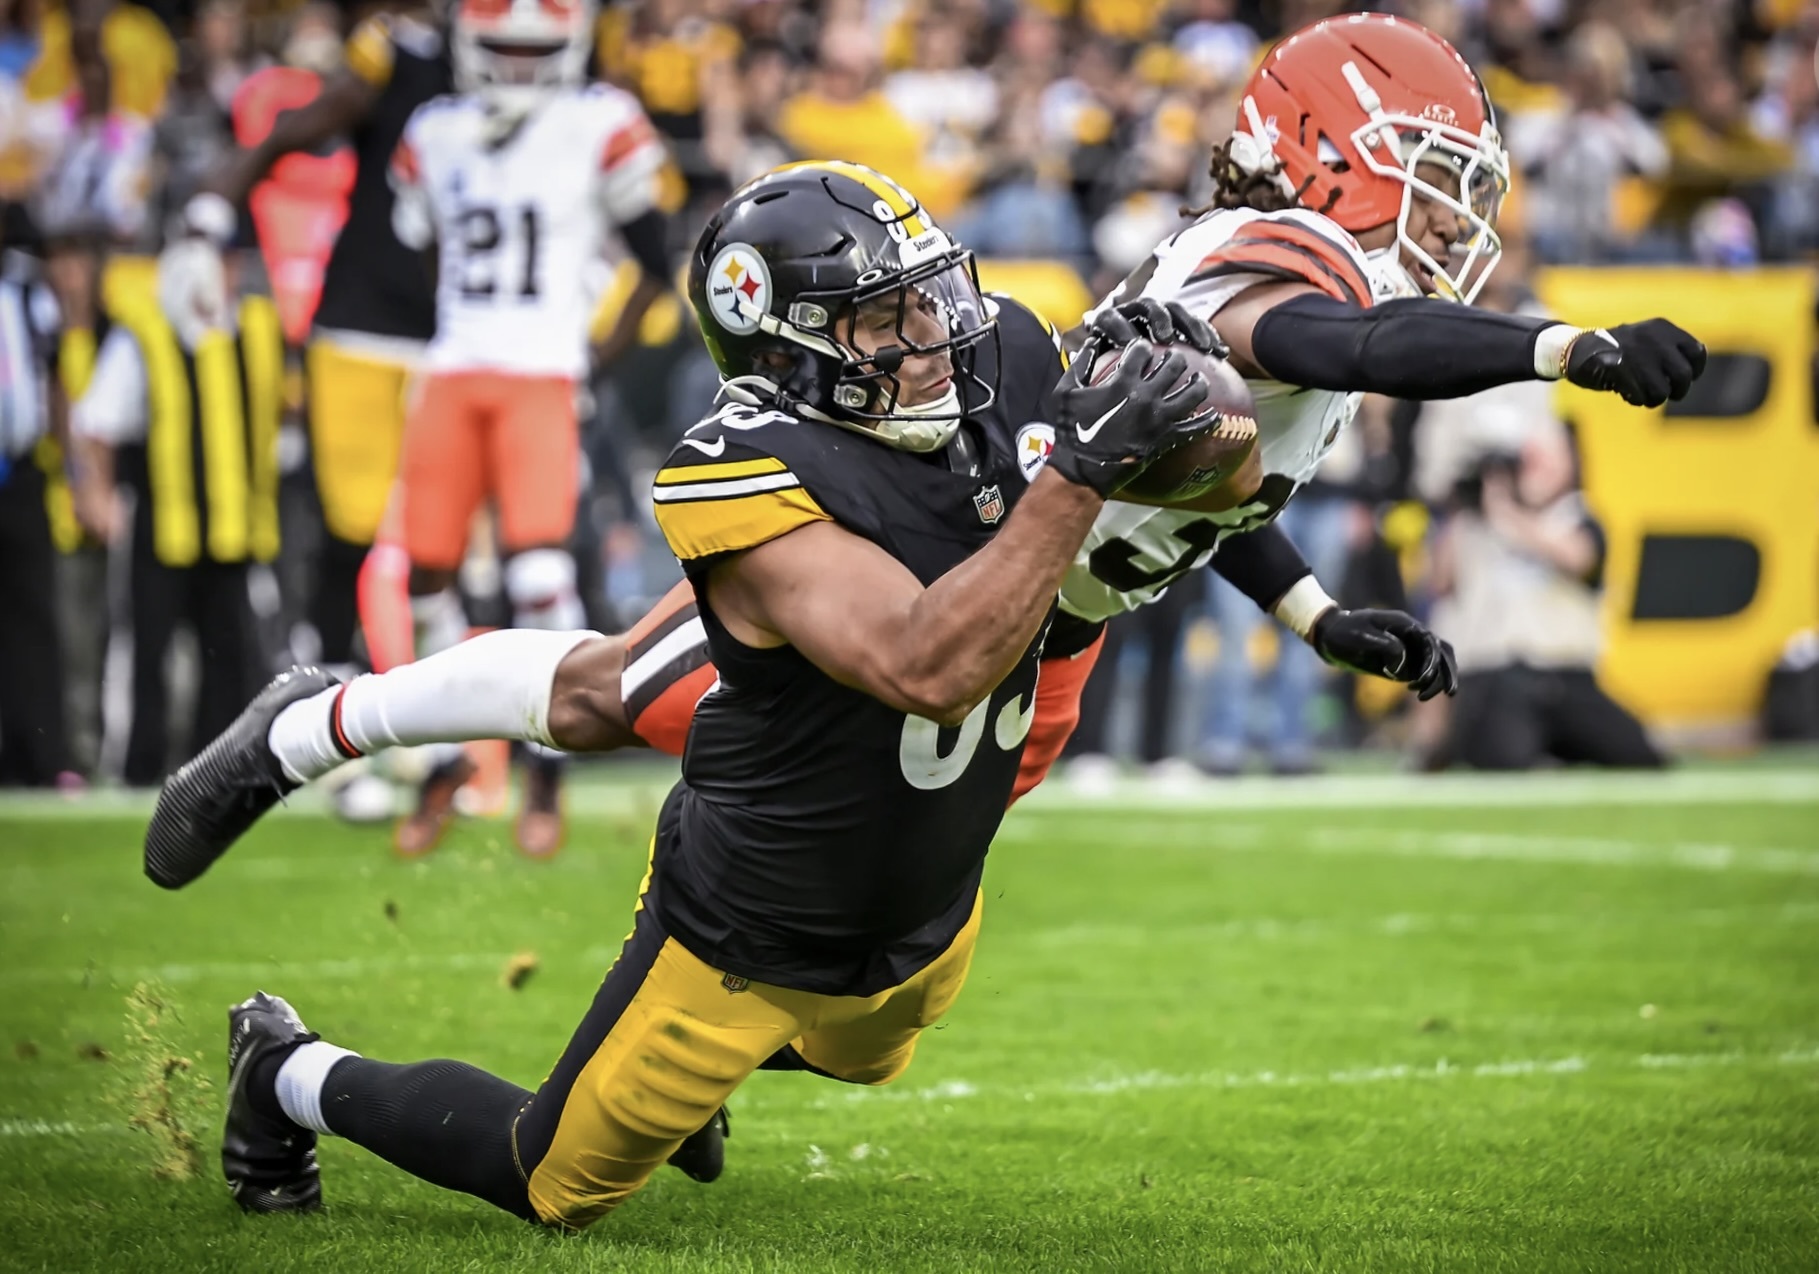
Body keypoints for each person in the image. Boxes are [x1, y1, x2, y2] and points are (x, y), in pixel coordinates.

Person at [155, 161, 1228, 1225]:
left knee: (865, 1049)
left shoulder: (996, 350)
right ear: (787, 348)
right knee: (556, 1174)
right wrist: (1080, 474)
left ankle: (693, 1078)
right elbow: (929, 668)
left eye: (926, 297)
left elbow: (1217, 474)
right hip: (757, 914)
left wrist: (1193, 416)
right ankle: (285, 1064)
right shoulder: (746, 465)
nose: (928, 339)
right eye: (879, 319)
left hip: (922, 899)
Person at [379, 0, 673, 857]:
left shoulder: (600, 121)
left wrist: (593, 358)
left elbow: (656, 262)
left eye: (529, 48)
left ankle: (547, 768)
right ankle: (445, 760)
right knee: (425, 575)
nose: (515, 64)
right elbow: (428, 252)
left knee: (539, 573)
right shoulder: (434, 129)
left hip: (542, 374)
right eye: (500, 48)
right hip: (453, 369)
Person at [69, 250, 283, 784]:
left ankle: (221, 770)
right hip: (163, 525)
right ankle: (137, 770)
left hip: (235, 529)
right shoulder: (146, 333)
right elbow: (96, 422)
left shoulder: (254, 331)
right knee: (148, 654)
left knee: (229, 657)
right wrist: (97, 493)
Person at [1429, 424, 1664, 770]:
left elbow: (1577, 557)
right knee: (1505, 760)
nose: (1535, 468)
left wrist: (1506, 512)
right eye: (1529, 459)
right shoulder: (1477, 524)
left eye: (1547, 459)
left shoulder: (1577, 515)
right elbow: (1440, 582)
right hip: (1498, 678)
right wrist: (1462, 507)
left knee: (1640, 755)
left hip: (1567, 677)